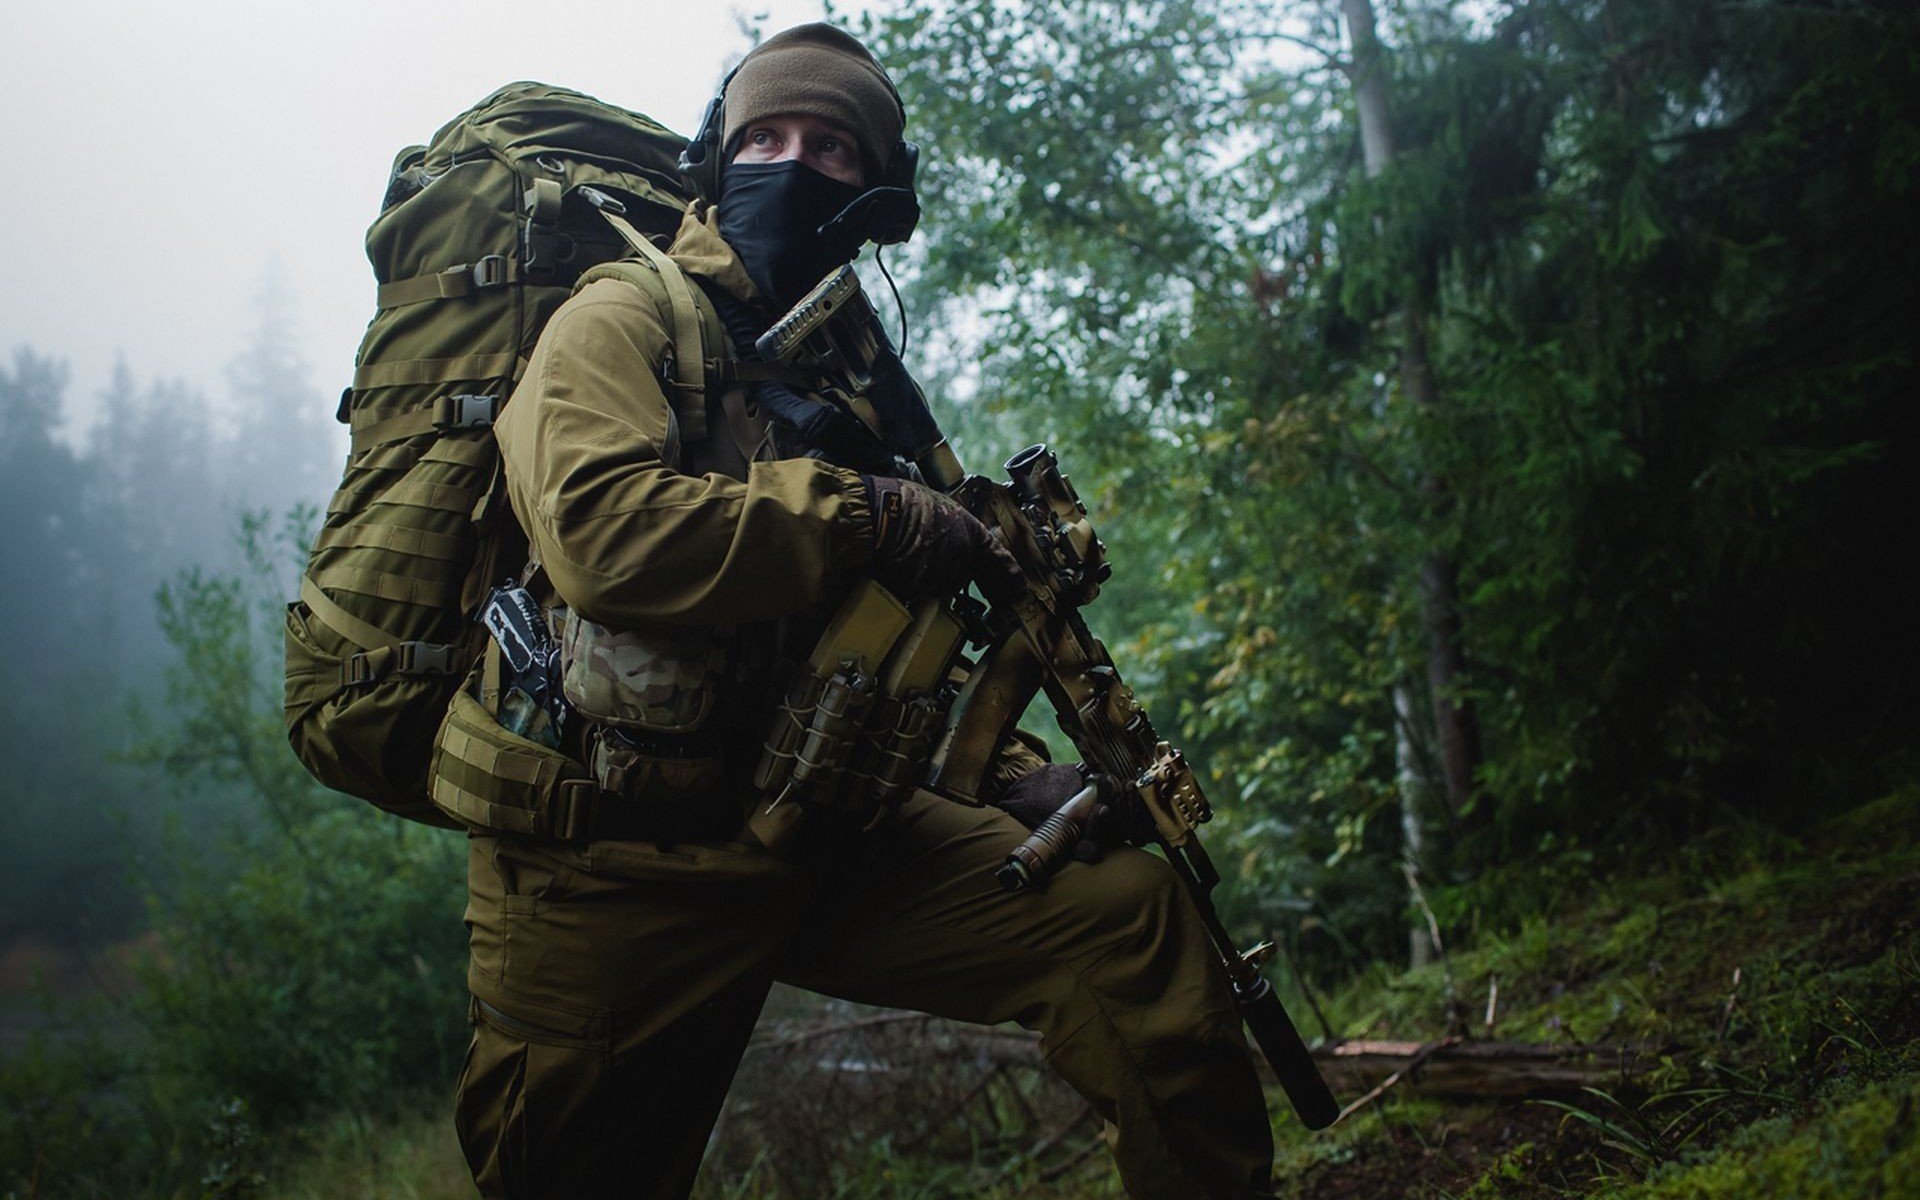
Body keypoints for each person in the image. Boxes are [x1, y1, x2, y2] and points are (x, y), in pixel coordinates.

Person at [454, 23, 1276, 1199]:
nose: (792, 167)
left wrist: (1003, 777)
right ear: (717, 158)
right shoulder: (622, 319)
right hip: (618, 860)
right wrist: (862, 515)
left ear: (878, 195)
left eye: (832, 149)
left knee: (1126, 923)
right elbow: (600, 534)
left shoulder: (852, 377)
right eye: (766, 138)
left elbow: (885, 654)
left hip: (820, 828)